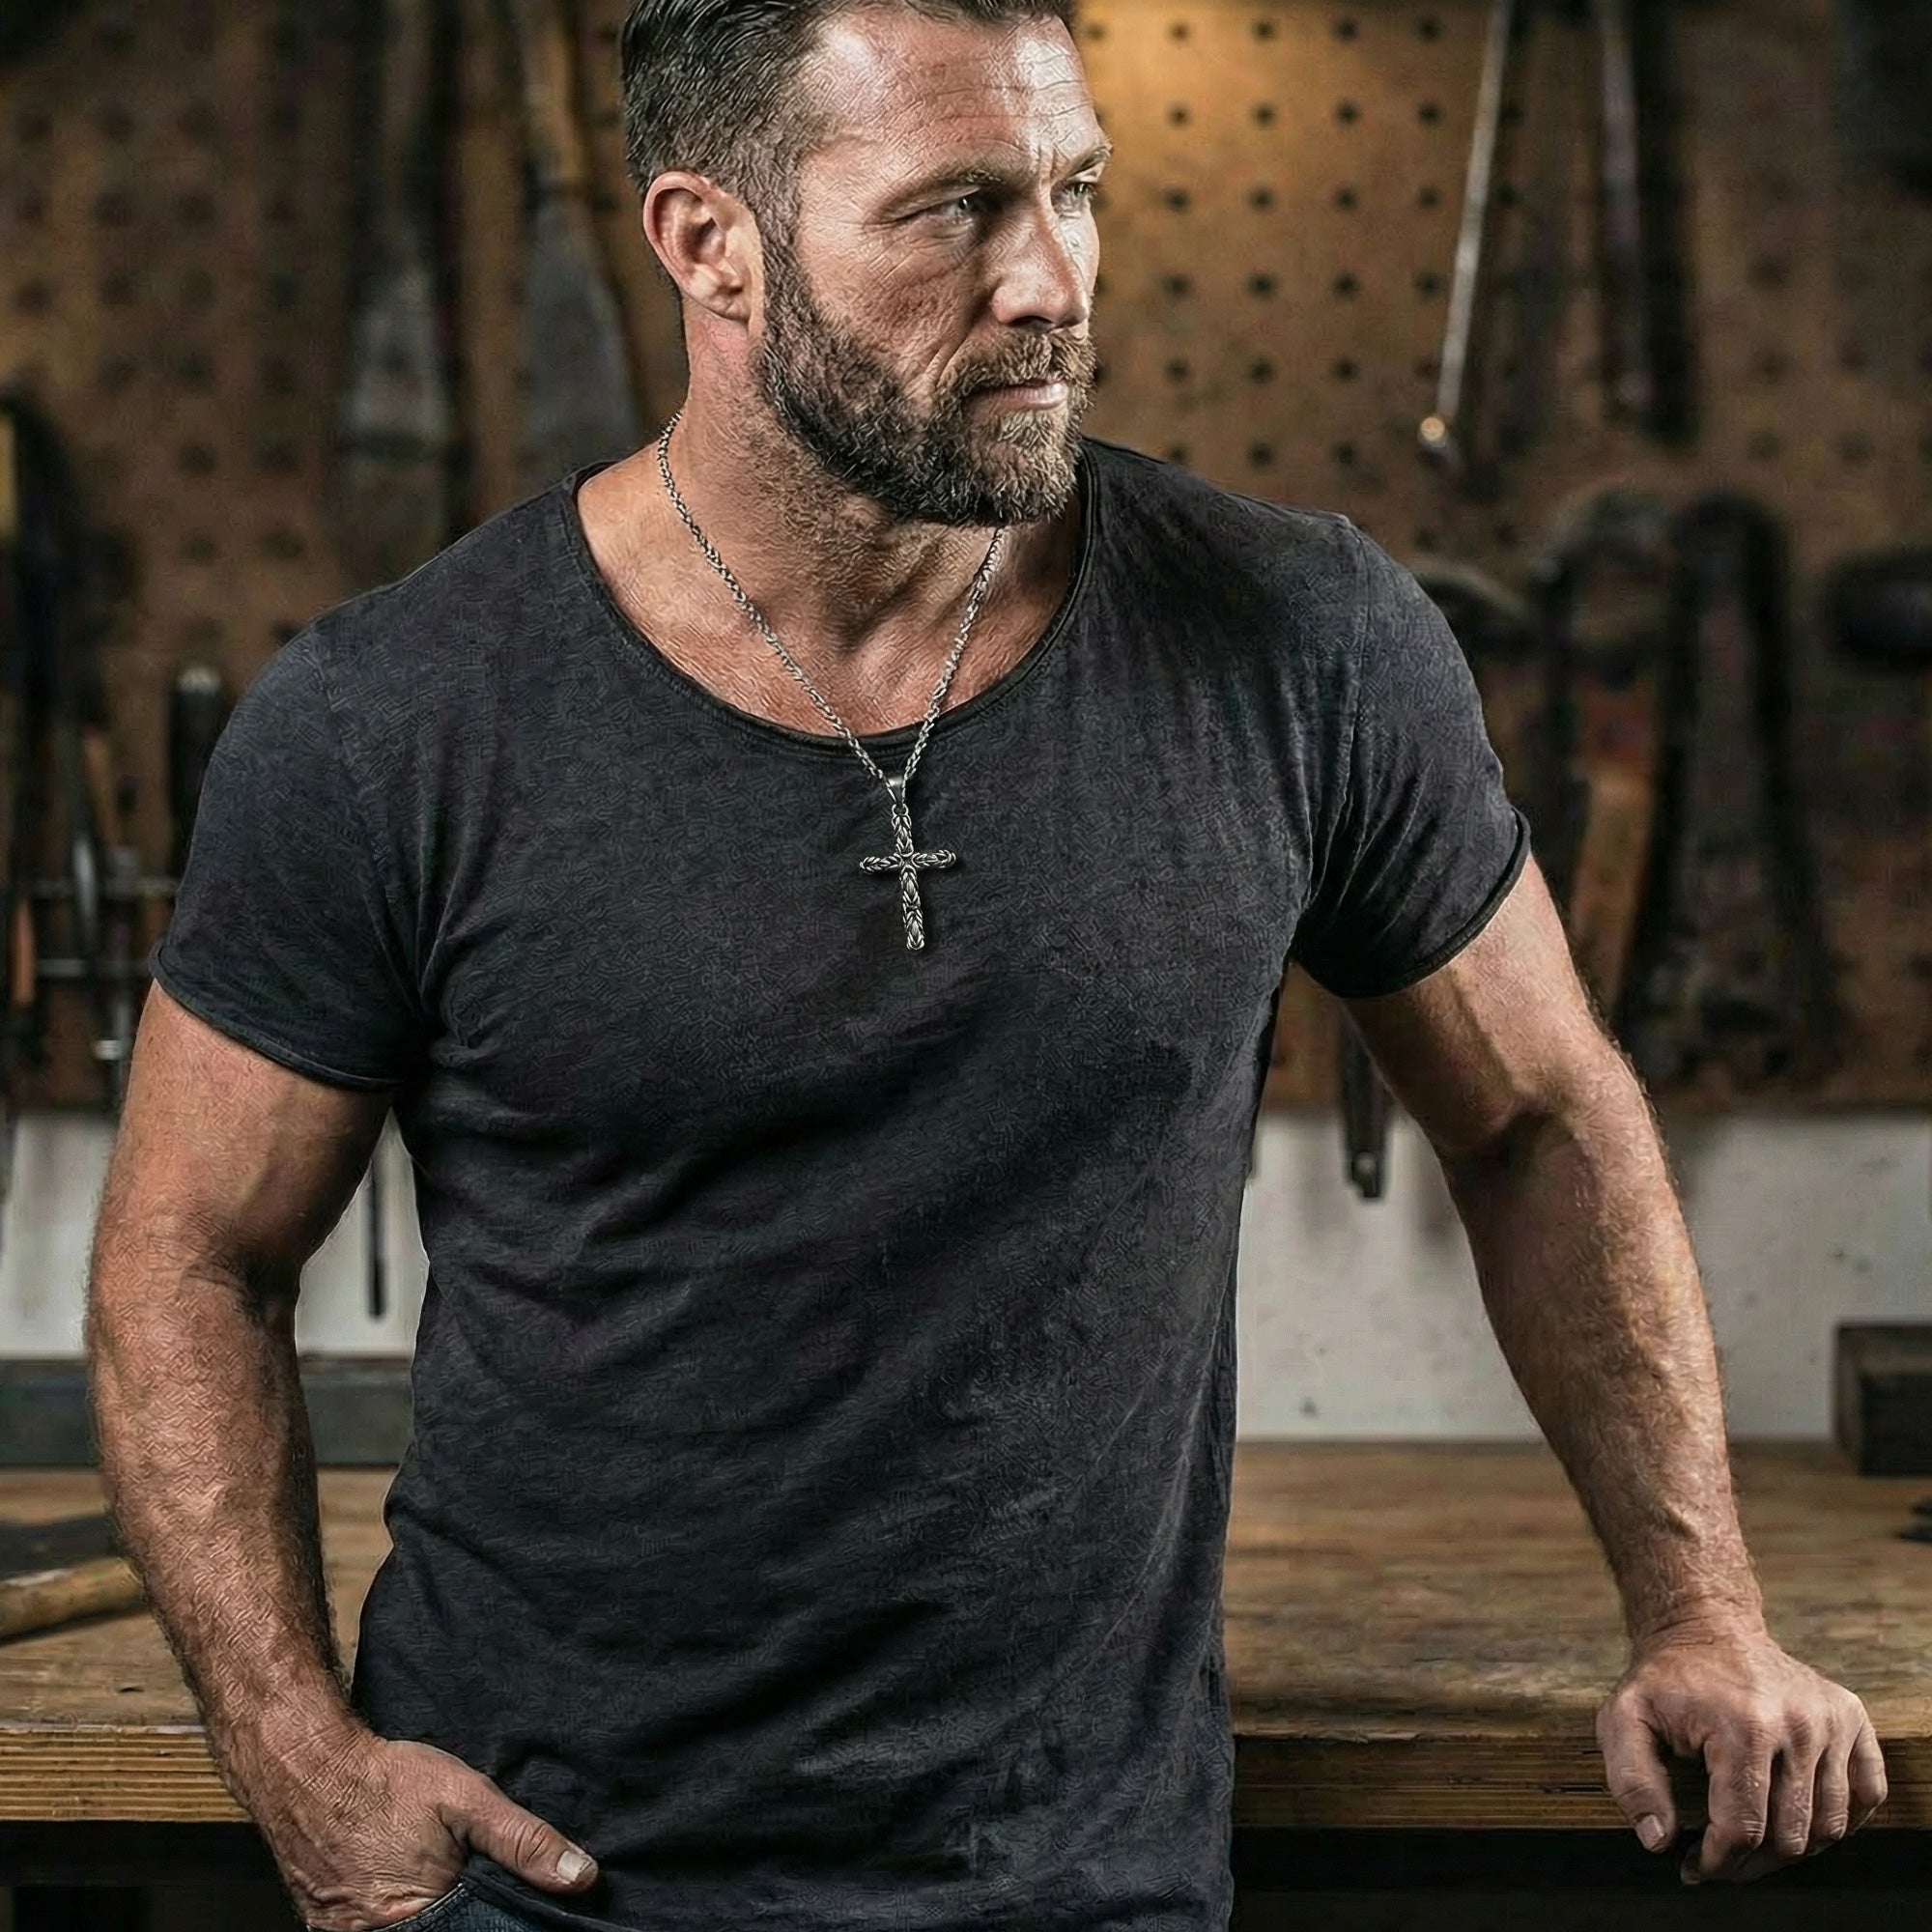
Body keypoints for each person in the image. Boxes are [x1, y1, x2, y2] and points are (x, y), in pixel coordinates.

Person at [84, 2, 1888, 1929]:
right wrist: (299, 1760)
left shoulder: (1304, 645)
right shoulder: (392, 719)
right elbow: (190, 1251)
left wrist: (1700, 1611)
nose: (1045, 282)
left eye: (1073, 193)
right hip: (550, 1877)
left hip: (1079, 1877)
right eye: (952, 211)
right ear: (713, 243)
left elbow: (1537, 1113)